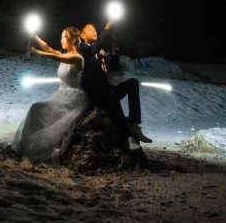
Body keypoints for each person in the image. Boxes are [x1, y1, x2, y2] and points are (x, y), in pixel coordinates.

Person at [12, 27, 89, 164]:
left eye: (64, 37)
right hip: (61, 94)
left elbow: (55, 57)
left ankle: (32, 148)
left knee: (38, 108)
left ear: (72, 40)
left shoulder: (77, 58)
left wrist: (36, 51)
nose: (61, 40)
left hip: (73, 98)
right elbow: (49, 48)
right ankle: (26, 145)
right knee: (37, 109)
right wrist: (36, 37)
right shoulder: (65, 55)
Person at [78, 21, 152, 151]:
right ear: (82, 35)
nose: (94, 31)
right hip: (95, 95)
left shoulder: (98, 52)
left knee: (132, 82)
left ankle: (134, 124)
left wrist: (113, 52)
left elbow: (113, 66)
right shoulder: (83, 49)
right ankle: (128, 138)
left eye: (95, 29)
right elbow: (93, 49)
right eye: (90, 29)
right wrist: (106, 28)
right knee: (111, 95)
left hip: (107, 91)